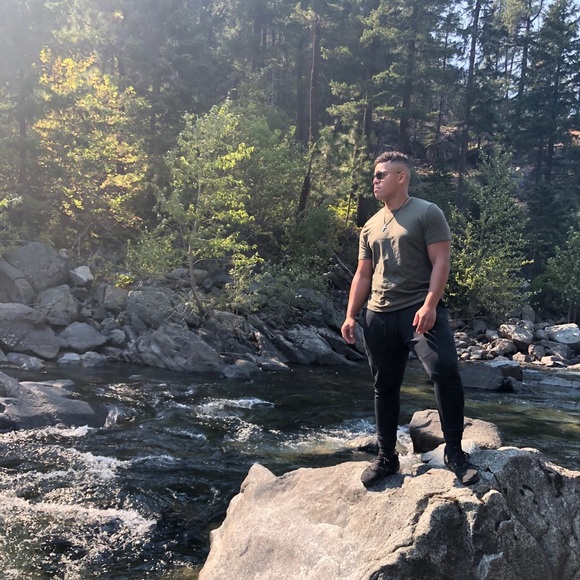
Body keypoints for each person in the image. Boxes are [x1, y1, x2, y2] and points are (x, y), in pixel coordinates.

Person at [341, 151, 479, 488]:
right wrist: (350, 315)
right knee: (384, 386)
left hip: (418, 310)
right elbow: (363, 274)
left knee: (444, 370)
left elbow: (442, 261)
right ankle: (387, 457)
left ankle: (455, 453)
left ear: (402, 177)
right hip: (378, 315)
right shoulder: (370, 225)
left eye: (381, 175)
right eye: (374, 175)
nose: (375, 181)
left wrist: (430, 305)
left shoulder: (427, 212)